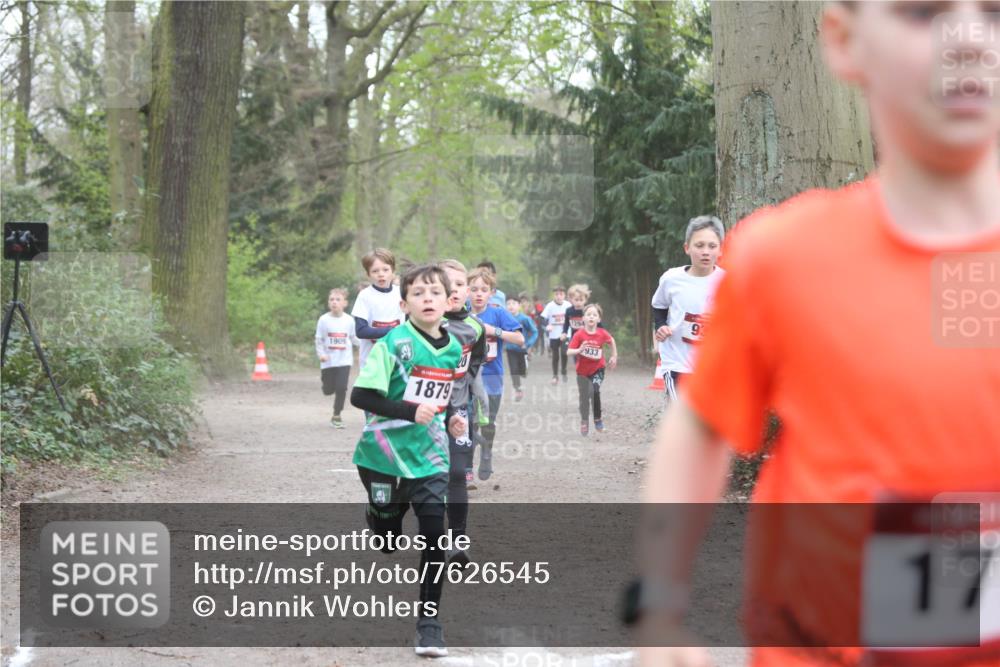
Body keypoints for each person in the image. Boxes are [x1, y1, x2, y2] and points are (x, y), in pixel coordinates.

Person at [638, 3, 1000, 666]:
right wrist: (659, 604)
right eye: (924, 12)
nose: (970, 39)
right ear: (843, 39)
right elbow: (701, 423)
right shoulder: (783, 256)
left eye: (997, 13)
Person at [349, 264, 466, 658]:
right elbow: (362, 398)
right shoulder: (393, 344)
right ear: (404, 304)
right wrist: (409, 409)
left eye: (435, 292)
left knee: (435, 535)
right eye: (418, 293)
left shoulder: (452, 348)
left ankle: (429, 623)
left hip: (430, 456)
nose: (427, 298)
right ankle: (380, 514)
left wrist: (450, 416)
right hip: (381, 455)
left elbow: (442, 394)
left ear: (449, 301)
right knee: (386, 540)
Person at [438, 259, 488, 558]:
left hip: (457, 410)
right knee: (422, 480)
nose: (453, 291)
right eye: (447, 285)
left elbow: (477, 358)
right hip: (421, 415)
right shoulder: (422, 323)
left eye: (458, 285)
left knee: (457, 473)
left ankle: (457, 542)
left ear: (467, 290)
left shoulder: (474, 327)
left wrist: (465, 384)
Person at [650, 216, 726, 402]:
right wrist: (660, 326)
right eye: (699, 246)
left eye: (711, 246)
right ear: (687, 248)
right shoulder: (671, 279)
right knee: (683, 415)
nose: (705, 252)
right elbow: (658, 305)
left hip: (712, 367)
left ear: (721, 249)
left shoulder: (727, 282)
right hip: (677, 364)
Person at [467, 268, 524, 481]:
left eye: (484, 289)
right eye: (474, 289)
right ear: (466, 291)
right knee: (468, 422)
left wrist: (494, 331)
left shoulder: (498, 313)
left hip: (492, 377)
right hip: (467, 379)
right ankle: (467, 469)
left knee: (487, 422)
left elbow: (520, 339)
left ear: (491, 292)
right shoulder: (460, 312)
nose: (478, 293)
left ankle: (487, 453)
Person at [567, 303, 617, 436]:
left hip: (598, 369)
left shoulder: (602, 333)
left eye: (594, 315)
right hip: (582, 371)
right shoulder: (579, 334)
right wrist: (579, 350)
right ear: (583, 318)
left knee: (594, 390)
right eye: (588, 314)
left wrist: (614, 356)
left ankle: (598, 419)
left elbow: (611, 340)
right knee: (584, 397)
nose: (591, 317)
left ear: (598, 319)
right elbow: (569, 352)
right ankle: (584, 420)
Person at [314, 287, 359, 428]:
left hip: (344, 360)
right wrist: (321, 354)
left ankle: (337, 415)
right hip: (328, 361)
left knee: (341, 387)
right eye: (331, 299)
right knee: (328, 390)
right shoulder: (323, 320)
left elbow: (353, 338)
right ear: (328, 303)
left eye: (338, 299)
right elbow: (319, 339)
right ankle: (327, 387)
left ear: (345, 303)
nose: (334, 302)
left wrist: (367, 344)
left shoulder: (349, 320)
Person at [351, 248, 403, 369]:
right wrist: (391, 331)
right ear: (368, 274)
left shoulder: (401, 293)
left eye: (385, 269)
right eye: (375, 271)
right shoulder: (365, 296)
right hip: (372, 364)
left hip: (398, 362)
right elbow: (361, 331)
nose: (381, 274)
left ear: (393, 271)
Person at [505, 295, 538, 402]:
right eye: (508, 304)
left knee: (522, 372)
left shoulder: (524, 319)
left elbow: (534, 332)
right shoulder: (504, 318)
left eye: (514, 303)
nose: (511, 306)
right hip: (510, 349)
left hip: (523, 349)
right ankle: (518, 389)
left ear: (519, 305)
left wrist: (528, 344)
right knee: (513, 370)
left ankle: (526, 363)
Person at [540, 286, 570, 384]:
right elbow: (542, 318)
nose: (558, 296)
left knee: (564, 353)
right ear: (554, 295)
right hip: (553, 334)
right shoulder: (550, 306)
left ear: (564, 295)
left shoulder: (568, 305)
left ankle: (564, 371)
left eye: (561, 294)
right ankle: (555, 376)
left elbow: (573, 317)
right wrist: (547, 325)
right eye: (556, 294)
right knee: (555, 356)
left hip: (565, 333)